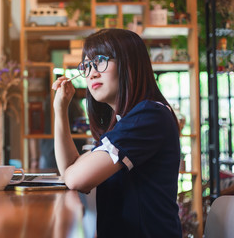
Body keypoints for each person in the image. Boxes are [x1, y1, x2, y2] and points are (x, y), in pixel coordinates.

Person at [52, 28, 182, 237]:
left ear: (129, 63)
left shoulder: (149, 116)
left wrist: (72, 173)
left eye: (101, 60)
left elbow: (76, 179)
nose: (92, 72)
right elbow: (69, 168)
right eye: (87, 65)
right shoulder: (125, 122)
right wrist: (60, 110)